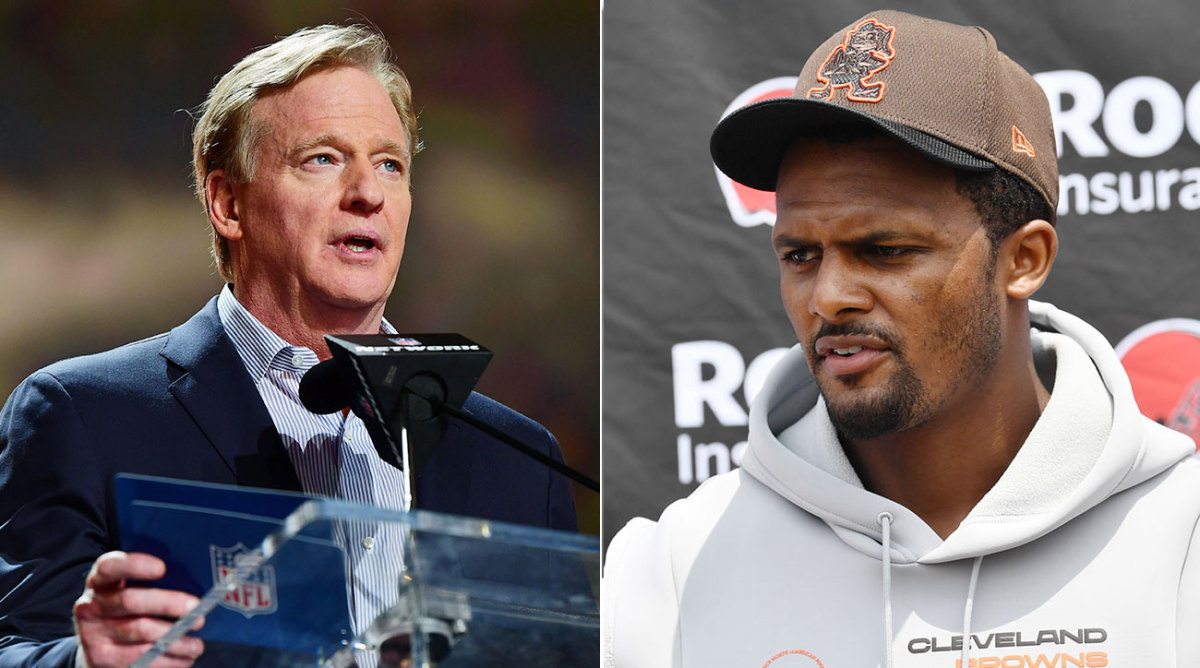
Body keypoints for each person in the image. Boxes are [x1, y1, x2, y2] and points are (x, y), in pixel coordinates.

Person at [601, 10, 1200, 667]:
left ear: (1023, 259)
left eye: (884, 249)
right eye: (800, 255)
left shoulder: (1182, 537)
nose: (829, 297)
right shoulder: (675, 567)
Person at [0, 24, 577, 668]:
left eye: (391, 164)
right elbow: (17, 646)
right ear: (227, 203)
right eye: (324, 159)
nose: (368, 193)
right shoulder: (85, 415)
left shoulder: (519, 463)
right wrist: (86, 662)